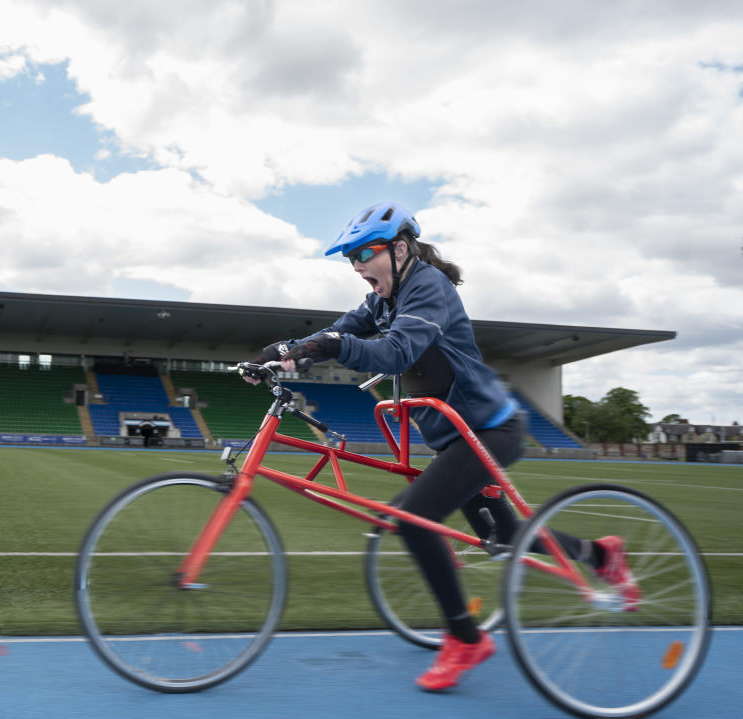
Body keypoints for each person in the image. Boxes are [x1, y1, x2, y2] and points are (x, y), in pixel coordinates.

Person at [246, 202, 638, 691]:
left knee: (412, 518)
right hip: (455, 437)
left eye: (365, 252)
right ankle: (602, 555)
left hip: (487, 429)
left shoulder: (429, 287)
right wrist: (283, 351)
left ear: (402, 248)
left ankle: (466, 637)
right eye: (350, 258)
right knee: (505, 539)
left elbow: (394, 353)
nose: (357, 266)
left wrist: (325, 349)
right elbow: (340, 329)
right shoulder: (384, 300)